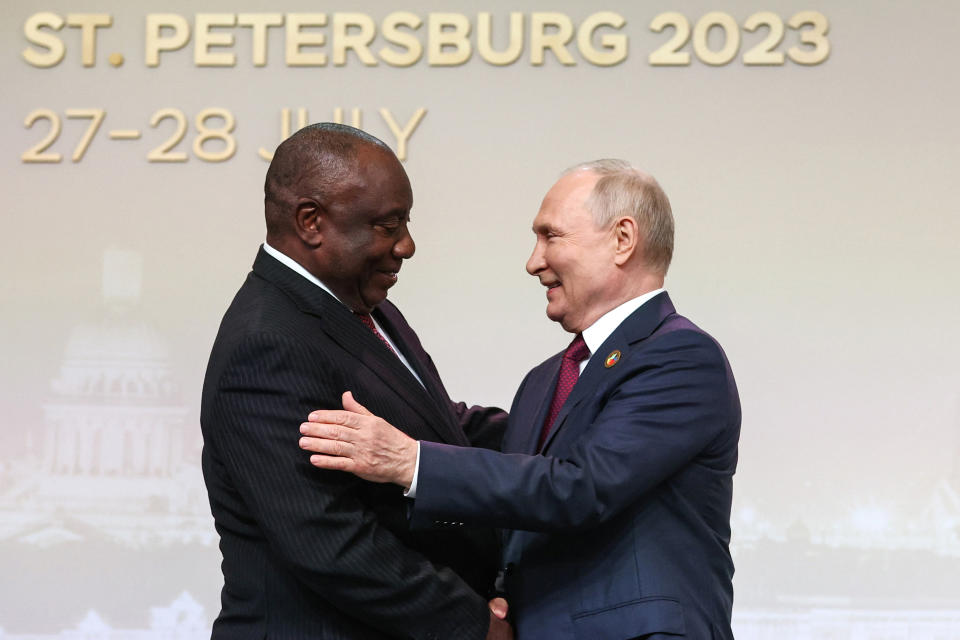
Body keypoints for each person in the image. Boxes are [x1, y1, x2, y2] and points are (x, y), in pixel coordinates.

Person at [299, 160, 742, 639]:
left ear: (622, 239)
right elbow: (499, 467)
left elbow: (581, 487)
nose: (534, 261)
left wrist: (411, 463)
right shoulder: (546, 379)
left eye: (551, 236)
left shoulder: (680, 356)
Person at [200, 123, 512, 639]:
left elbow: (437, 424)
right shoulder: (267, 343)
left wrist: (559, 429)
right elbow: (328, 540)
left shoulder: (360, 306)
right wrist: (474, 624)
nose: (407, 245)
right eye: (388, 225)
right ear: (311, 222)